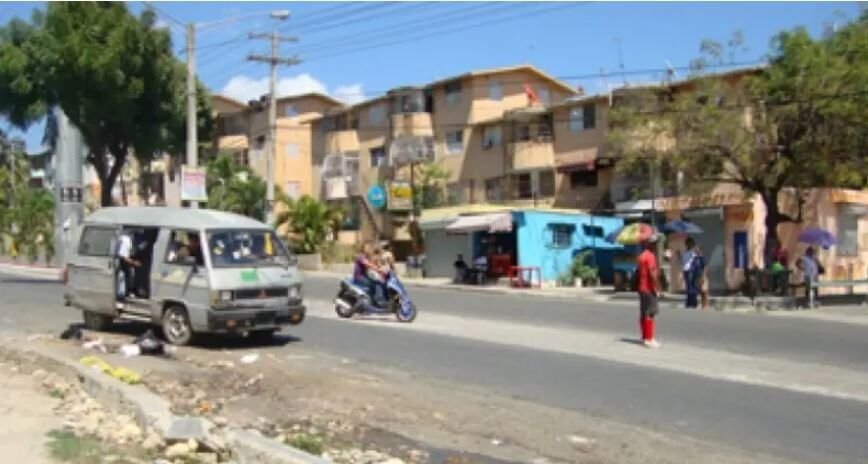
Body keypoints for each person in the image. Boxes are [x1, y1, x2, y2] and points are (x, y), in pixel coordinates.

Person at [636, 234, 661, 348]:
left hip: (641, 287)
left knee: (643, 313)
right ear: (651, 244)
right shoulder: (650, 256)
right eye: (655, 243)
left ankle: (644, 337)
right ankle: (649, 339)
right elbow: (652, 274)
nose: (656, 245)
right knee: (650, 313)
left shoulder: (641, 256)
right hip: (649, 288)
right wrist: (657, 287)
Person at [115, 230, 140, 307]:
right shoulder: (126, 240)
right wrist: (134, 262)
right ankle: (120, 300)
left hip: (125, 261)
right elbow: (123, 257)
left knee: (130, 276)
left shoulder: (130, 240)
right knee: (121, 278)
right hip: (119, 263)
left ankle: (128, 293)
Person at [681, 238, 697, 308]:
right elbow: (683, 261)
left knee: (691, 287)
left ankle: (693, 302)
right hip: (685, 270)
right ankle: (689, 302)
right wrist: (679, 255)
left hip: (691, 270)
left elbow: (695, 261)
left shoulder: (693, 252)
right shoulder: (685, 252)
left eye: (690, 243)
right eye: (687, 243)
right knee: (688, 287)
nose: (688, 245)